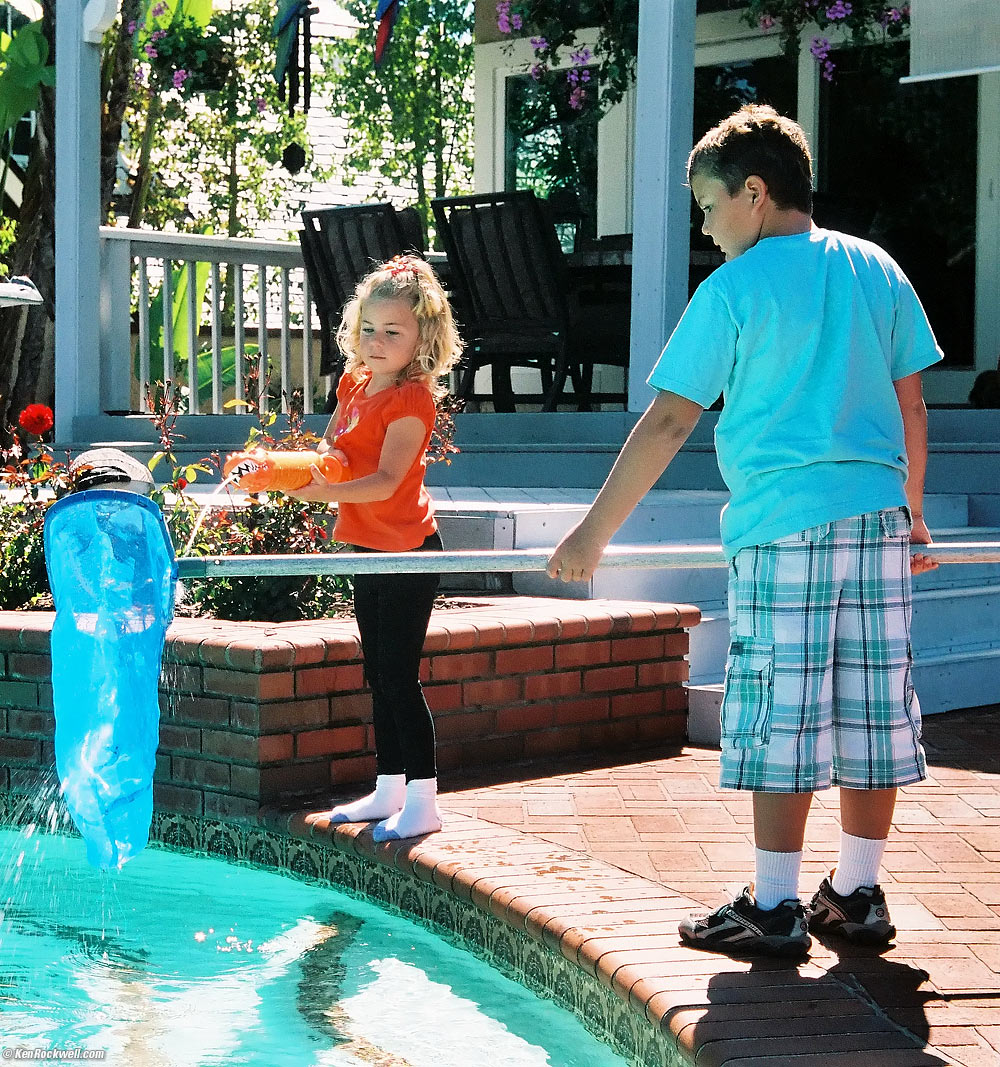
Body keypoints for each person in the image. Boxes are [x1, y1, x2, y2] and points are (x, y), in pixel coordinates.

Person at [547, 104, 941, 959]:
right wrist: (912, 509)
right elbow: (913, 401)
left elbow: (668, 422)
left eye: (707, 205)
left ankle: (772, 905)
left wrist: (592, 533)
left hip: (783, 529)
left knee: (781, 714)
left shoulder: (732, 289)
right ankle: (860, 892)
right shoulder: (876, 268)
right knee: (872, 707)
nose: (704, 223)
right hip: (878, 523)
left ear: (755, 195)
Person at [289, 254, 462, 842]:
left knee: (399, 675)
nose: (378, 341)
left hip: (408, 550)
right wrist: (291, 471)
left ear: (423, 339)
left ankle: (425, 798)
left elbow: (388, 480)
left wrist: (321, 488)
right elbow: (333, 450)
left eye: (393, 332)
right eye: (369, 328)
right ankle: (390, 786)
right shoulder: (354, 384)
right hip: (367, 545)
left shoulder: (411, 402)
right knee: (378, 673)